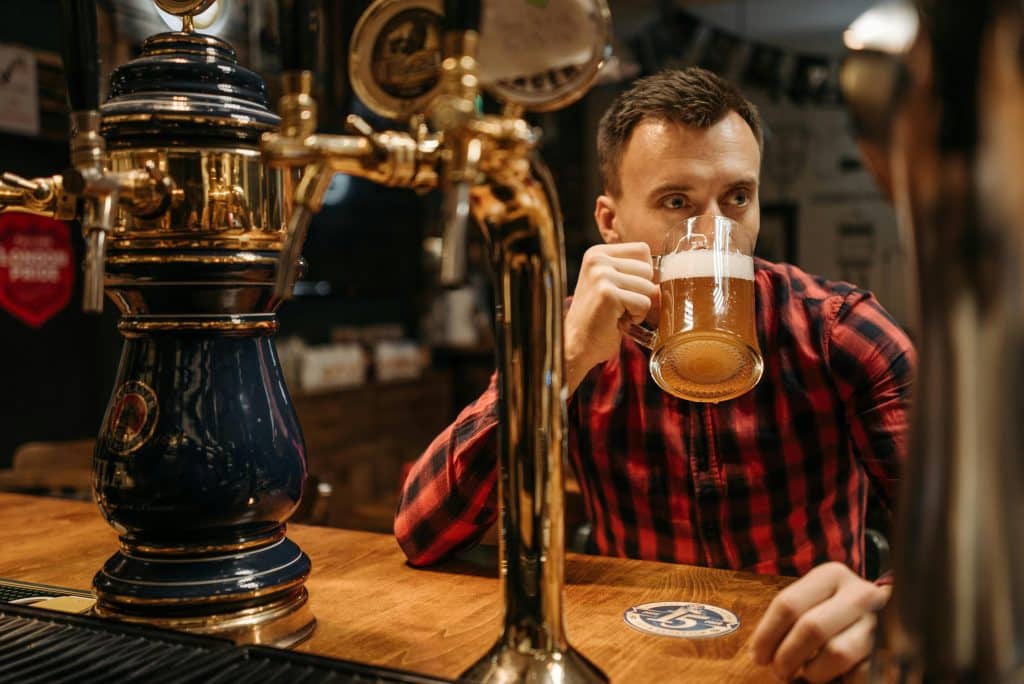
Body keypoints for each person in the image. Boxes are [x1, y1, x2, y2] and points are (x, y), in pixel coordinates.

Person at [395, 67, 915, 682]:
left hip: (799, 659)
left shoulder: (838, 332)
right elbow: (423, 531)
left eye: (737, 199)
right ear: (610, 223)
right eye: (677, 203)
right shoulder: (570, 335)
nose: (714, 232)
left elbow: (971, 533)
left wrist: (886, 606)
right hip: (632, 658)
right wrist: (561, 364)